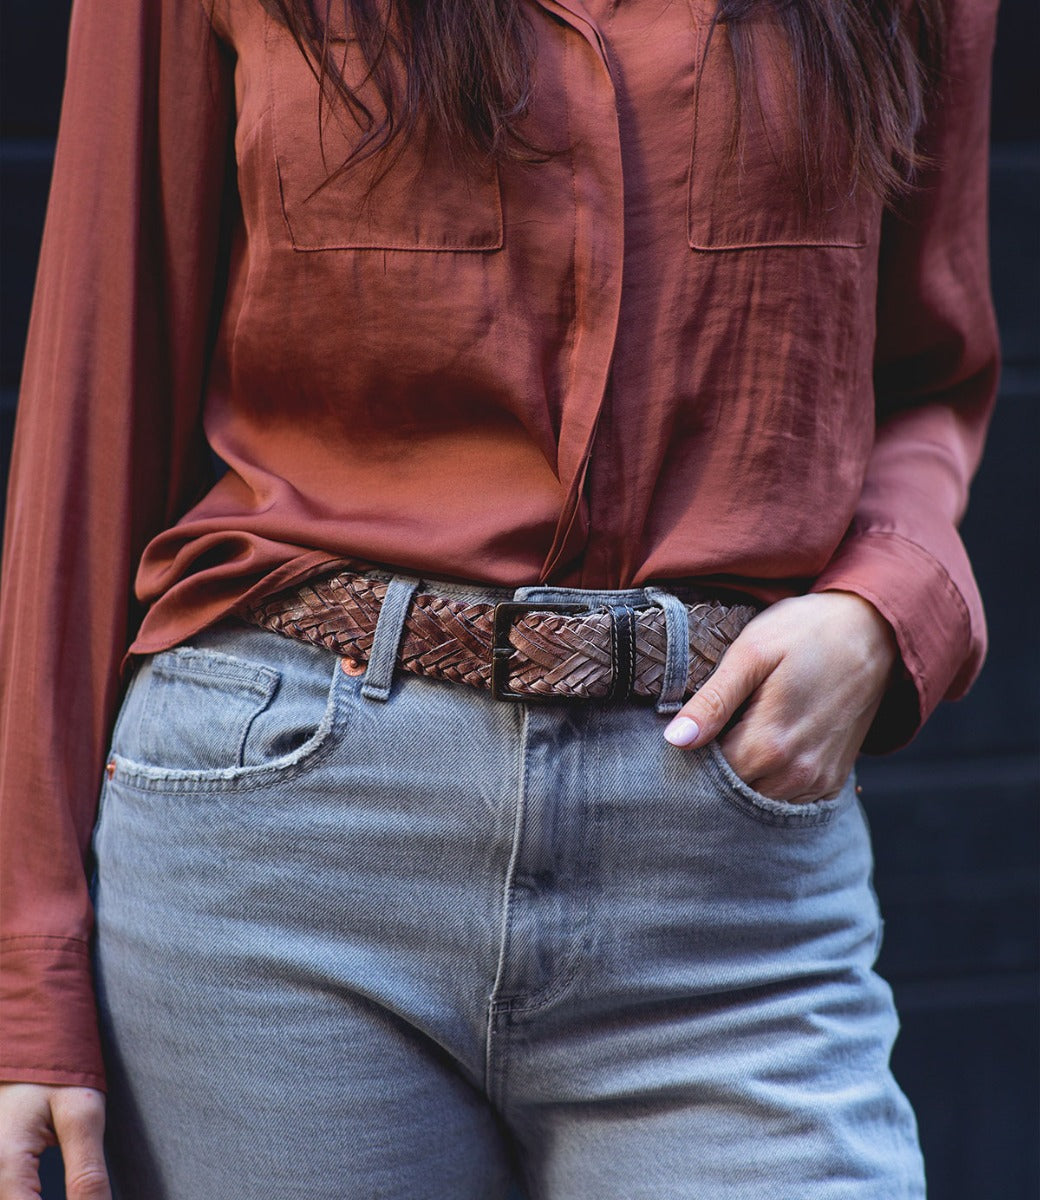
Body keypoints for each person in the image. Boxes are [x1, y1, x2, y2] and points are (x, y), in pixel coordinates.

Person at [0, 0, 1000, 1196]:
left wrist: (887, 602)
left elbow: (928, 375)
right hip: (281, 849)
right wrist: (31, 959)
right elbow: (96, 402)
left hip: (719, 867)